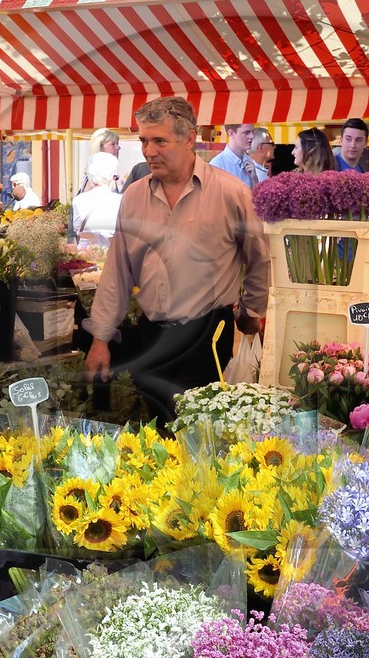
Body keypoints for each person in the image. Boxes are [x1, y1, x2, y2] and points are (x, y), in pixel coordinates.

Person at [85, 96, 269, 422]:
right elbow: (118, 271)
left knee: (194, 429)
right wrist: (100, 339)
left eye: (159, 141)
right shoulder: (135, 196)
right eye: (144, 141)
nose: (148, 151)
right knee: (154, 429)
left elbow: (259, 258)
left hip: (207, 335)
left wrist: (251, 311)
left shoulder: (231, 193)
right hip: (150, 334)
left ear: (189, 139)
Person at [71, 152, 123, 239]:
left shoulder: (79, 200)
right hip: (111, 251)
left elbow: (77, 228)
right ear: (111, 178)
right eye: (116, 177)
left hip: (85, 251)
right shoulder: (120, 201)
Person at [208, 123, 259, 189]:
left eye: (253, 132)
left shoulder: (248, 160)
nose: (252, 136)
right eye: (246, 132)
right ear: (231, 133)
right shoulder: (217, 165)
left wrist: (254, 179)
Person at [79, 129, 122, 194]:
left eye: (117, 143)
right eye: (112, 144)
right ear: (100, 147)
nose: (118, 147)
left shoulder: (106, 174)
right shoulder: (95, 178)